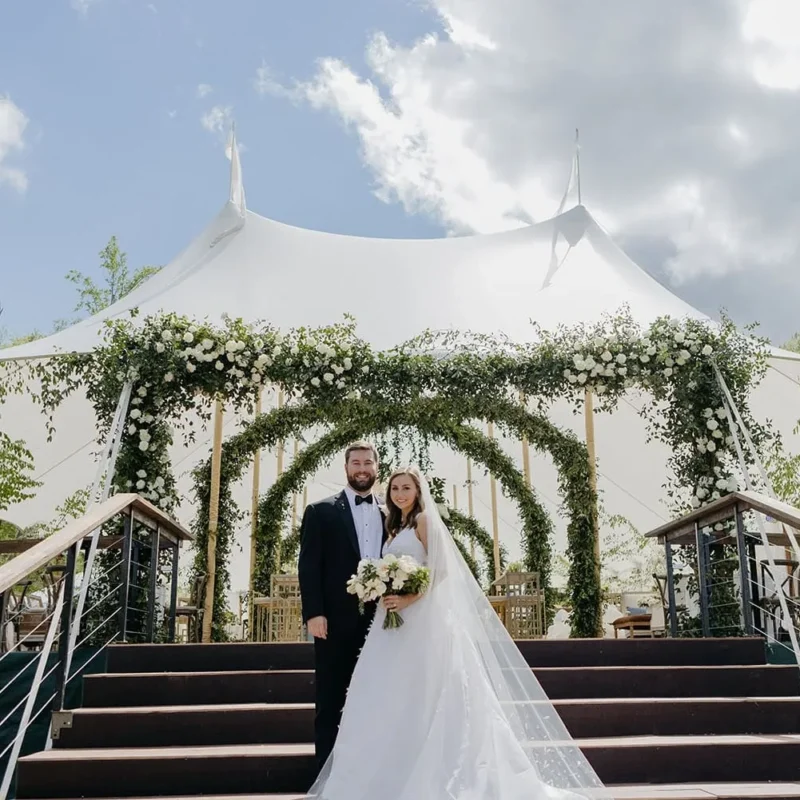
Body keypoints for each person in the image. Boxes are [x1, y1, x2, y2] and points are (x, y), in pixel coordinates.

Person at [306, 466, 609, 800]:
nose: (400, 494)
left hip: (423, 619)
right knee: (386, 692)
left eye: (406, 488)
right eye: (395, 489)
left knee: (429, 690)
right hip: (389, 623)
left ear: (418, 492)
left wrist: (409, 598)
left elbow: (442, 570)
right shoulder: (392, 526)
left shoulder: (424, 522)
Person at [298, 441, 386, 771]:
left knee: (378, 695)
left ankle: (371, 770)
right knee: (331, 697)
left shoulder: (391, 513)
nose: (362, 468)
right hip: (333, 620)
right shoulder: (320, 512)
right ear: (346, 467)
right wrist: (314, 613)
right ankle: (326, 773)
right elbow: (309, 565)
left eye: (368, 463)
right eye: (356, 463)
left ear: (376, 467)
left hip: (382, 620)